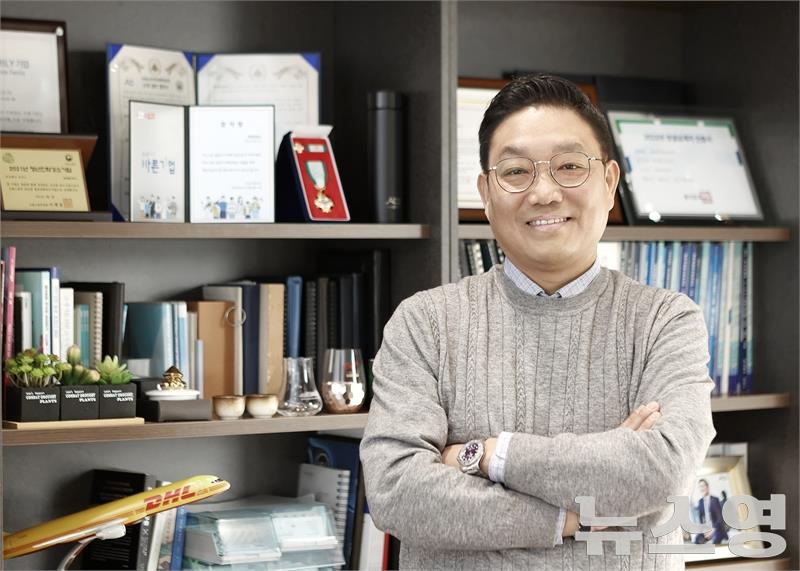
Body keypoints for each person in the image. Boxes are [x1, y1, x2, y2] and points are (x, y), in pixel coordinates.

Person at [360, 74, 716, 569]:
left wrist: (487, 455)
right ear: (486, 193)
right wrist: (571, 519)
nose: (544, 192)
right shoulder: (425, 323)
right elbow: (397, 492)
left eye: (569, 166)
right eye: (516, 171)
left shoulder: (665, 321)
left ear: (609, 183)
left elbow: (662, 473)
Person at [694, 479, 729, 544]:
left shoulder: (715, 500)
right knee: (697, 540)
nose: (702, 488)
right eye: (700, 486)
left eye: (703, 486)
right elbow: (700, 519)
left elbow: (719, 519)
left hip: (717, 528)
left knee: (715, 541)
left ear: (707, 487)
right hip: (707, 529)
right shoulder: (700, 502)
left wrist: (713, 530)